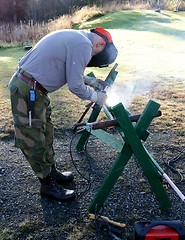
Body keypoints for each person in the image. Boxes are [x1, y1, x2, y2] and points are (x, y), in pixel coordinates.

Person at [8, 27, 118, 201]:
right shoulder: (84, 44)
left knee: (47, 132)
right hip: (28, 90)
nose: (91, 57)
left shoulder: (77, 37)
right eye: (95, 55)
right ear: (100, 44)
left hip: (35, 90)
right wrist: (97, 97)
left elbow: (71, 71)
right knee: (34, 139)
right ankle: (47, 184)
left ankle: (51, 172)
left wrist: (90, 81)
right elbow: (74, 85)